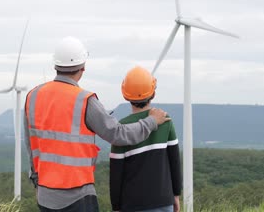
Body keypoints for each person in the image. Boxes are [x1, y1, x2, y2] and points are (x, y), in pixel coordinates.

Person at [23, 37, 171, 212]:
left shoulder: (33, 96)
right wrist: (152, 121)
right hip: (77, 196)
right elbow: (118, 134)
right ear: (83, 67)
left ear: (55, 65)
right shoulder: (84, 100)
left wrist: (36, 181)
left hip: (45, 195)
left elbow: (30, 145)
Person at [110, 66, 182, 212]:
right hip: (164, 200)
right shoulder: (166, 121)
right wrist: (176, 194)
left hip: (132, 204)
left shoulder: (121, 128)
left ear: (125, 96)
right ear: (153, 93)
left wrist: (116, 206)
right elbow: (175, 161)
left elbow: (116, 172)